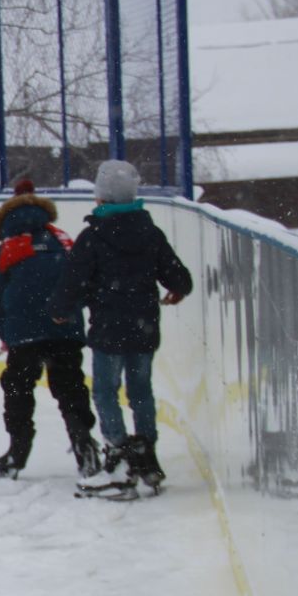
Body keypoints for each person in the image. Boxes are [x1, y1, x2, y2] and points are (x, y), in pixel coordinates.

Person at [48, 160, 194, 491]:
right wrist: (177, 291)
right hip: (143, 327)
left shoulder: (93, 237)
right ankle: (146, 446)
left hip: (108, 330)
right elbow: (179, 277)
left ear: (101, 199)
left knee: (105, 391)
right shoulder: (150, 233)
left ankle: (117, 447)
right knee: (141, 390)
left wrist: (60, 309)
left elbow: (73, 282)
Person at [0, 178, 100, 479]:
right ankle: (83, 442)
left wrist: (7, 334)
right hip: (66, 329)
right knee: (71, 388)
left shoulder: (6, 250)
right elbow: (80, 283)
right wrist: (70, 315)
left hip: (24, 335)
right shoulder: (63, 241)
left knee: (18, 389)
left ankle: (17, 451)